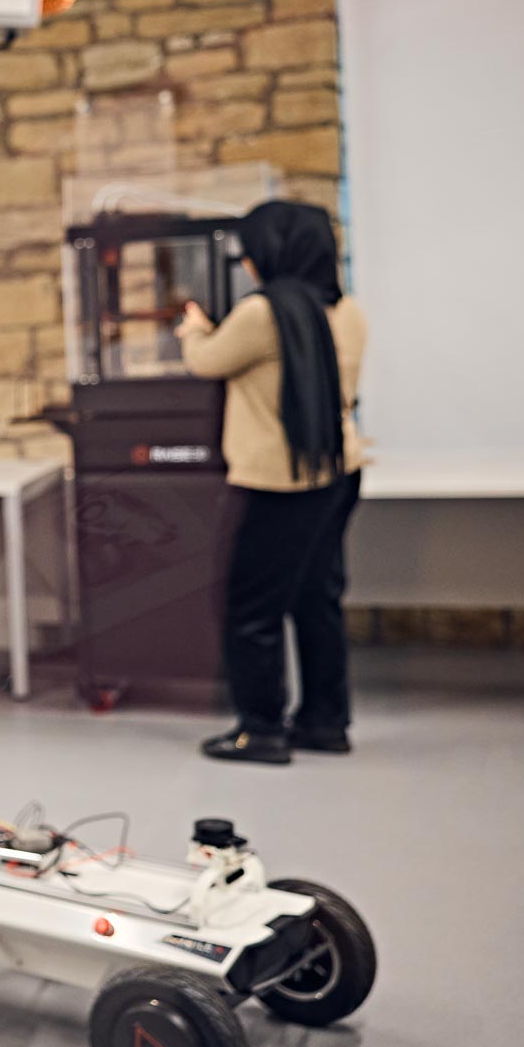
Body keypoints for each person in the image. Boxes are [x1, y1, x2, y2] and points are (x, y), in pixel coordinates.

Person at [176, 200, 368, 765]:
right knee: (317, 598)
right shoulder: (350, 312)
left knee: (251, 607)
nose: (248, 263)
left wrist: (194, 328)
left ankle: (259, 729)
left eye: (251, 253)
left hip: (278, 482)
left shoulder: (264, 314)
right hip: (338, 471)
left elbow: (208, 361)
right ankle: (325, 722)